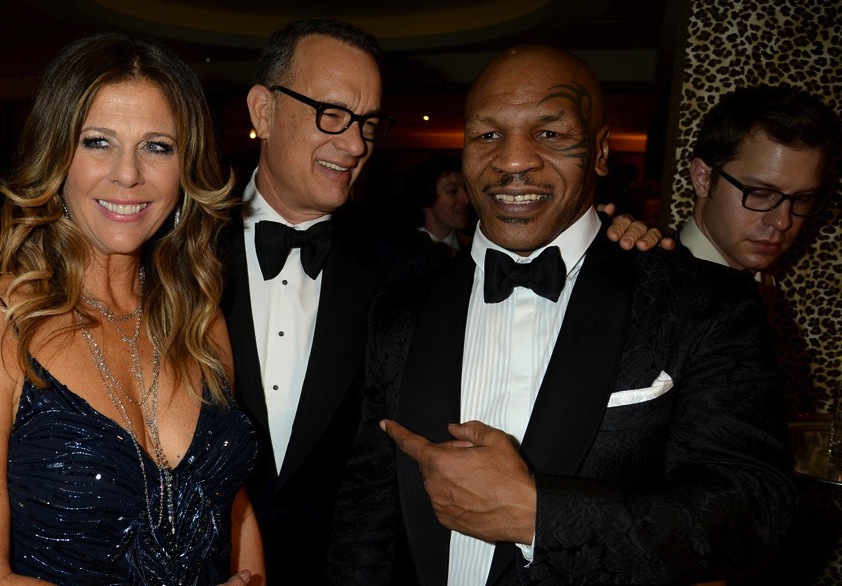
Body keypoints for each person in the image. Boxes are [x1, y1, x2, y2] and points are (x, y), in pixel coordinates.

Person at [326, 44, 796, 585]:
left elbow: (754, 515)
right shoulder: (400, 309)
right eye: (487, 134)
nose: (513, 160)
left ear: (599, 151)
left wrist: (536, 514)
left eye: (548, 133)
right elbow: (365, 518)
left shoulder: (702, 302)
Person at [0, 33, 263, 585]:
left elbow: (228, 501)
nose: (128, 174)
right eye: (98, 141)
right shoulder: (7, 318)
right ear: (56, 154)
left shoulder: (199, 317)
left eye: (157, 146)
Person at [679, 85, 839, 280]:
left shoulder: (764, 286)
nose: (782, 222)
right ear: (703, 178)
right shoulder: (640, 286)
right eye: (760, 193)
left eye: (802, 198)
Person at [405, 153, 473, 255]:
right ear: (426, 196)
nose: (466, 199)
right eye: (453, 191)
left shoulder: (473, 248)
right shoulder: (397, 251)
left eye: (466, 189)